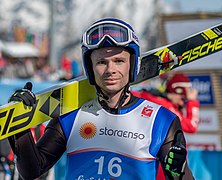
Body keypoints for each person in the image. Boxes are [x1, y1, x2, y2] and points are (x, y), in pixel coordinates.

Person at [8, 18, 194, 180]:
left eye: (119, 61)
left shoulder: (161, 120)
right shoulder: (70, 116)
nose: (110, 69)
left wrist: (178, 171)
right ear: (90, 68)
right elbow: (32, 171)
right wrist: (19, 126)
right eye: (101, 62)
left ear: (133, 65)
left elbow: (181, 177)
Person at [132, 73, 199, 133]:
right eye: (182, 99)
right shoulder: (166, 106)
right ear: (175, 92)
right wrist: (192, 101)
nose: (182, 103)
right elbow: (191, 127)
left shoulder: (156, 99)